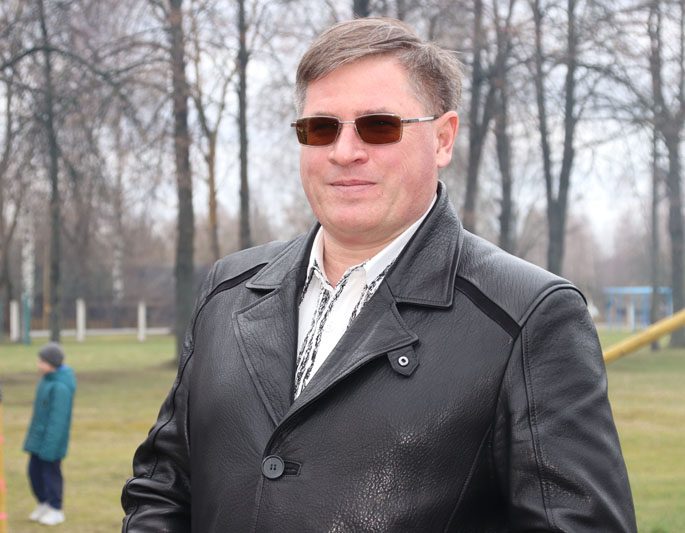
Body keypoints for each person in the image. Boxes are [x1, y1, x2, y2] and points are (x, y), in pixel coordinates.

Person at [122, 17, 636, 532]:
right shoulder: (227, 293)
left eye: (379, 126)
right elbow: (163, 488)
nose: (345, 152)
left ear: (443, 138)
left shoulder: (528, 317)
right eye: (322, 128)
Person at [24, 342, 76, 526]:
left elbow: (58, 420)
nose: (38, 364)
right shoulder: (46, 381)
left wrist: (50, 445)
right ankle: (43, 503)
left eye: (41, 361)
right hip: (38, 440)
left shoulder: (60, 387)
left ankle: (56, 509)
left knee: (50, 475)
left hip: (51, 442)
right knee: (34, 472)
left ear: (51, 363)